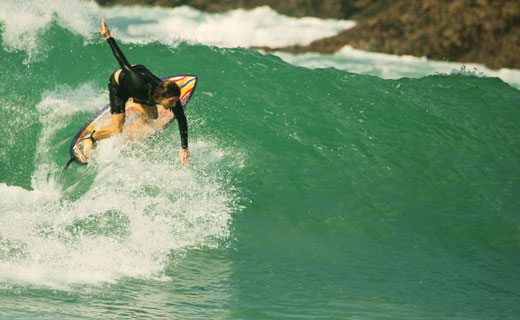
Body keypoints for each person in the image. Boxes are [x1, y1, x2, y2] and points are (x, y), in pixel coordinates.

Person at [82, 18, 190, 165]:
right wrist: (109, 37)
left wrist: (184, 148)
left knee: (153, 116)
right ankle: (90, 138)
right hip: (122, 83)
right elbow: (123, 63)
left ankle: (133, 105)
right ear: (162, 96)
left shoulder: (167, 98)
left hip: (143, 87)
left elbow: (182, 120)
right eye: (172, 101)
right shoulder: (138, 84)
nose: (174, 105)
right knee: (117, 129)